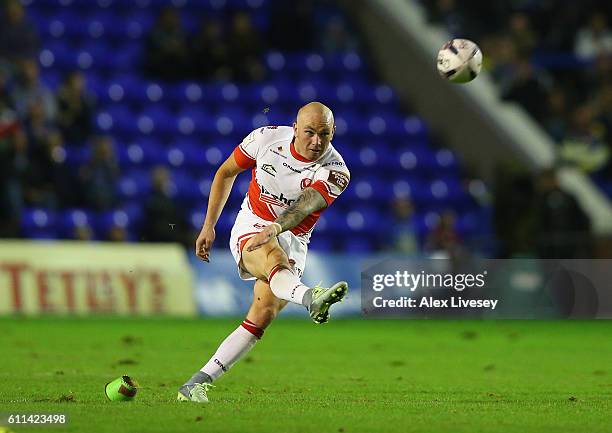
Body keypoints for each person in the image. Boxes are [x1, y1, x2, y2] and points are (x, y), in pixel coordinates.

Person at [178, 102, 350, 403]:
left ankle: (196, 383)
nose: (316, 141)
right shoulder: (265, 139)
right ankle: (310, 297)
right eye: (309, 132)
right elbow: (225, 172)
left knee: (263, 313)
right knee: (272, 258)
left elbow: (304, 207)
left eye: (324, 134)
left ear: (333, 132)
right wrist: (209, 226)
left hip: (294, 237)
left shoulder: (336, 171)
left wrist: (277, 228)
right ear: (295, 128)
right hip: (253, 224)